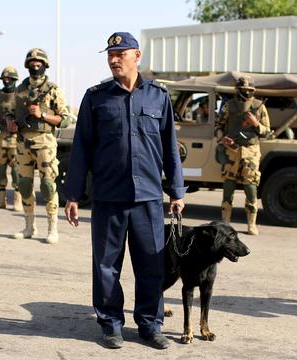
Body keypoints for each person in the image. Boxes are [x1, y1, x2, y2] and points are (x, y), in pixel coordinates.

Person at [63, 32, 186, 350]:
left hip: (148, 197)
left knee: (151, 264)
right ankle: (111, 325)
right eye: (110, 54)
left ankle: (149, 324)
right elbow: (81, 149)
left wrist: (176, 191)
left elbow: (170, 146)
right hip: (108, 197)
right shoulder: (96, 97)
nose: (114, 59)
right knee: (106, 265)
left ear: (137, 56)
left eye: (120, 53)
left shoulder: (158, 96)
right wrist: (73, 194)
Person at [8, 48, 70, 244]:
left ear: (45, 64)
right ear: (27, 65)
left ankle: (52, 228)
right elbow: (10, 112)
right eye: (32, 61)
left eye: (39, 61)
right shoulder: (19, 91)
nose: (36, 64)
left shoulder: (53, 89)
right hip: (22, 142)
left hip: (45, 143)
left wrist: (41, 115)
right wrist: (10, 121)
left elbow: (65, 119)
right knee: (24, 185)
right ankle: (29, 227)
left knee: (48, 186)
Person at [215, 76, 270, 236]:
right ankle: (225, 222)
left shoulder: (259, 107)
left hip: (251, 151)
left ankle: (251, 224)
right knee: (228, 186)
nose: (247, 93)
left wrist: (255, 123)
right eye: (244, 90)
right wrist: (222, 137)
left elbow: (267, 132)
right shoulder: (228, 106)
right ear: (238, 90)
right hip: (231, 150)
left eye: (250, 90)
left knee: (250, 186)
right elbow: (219, 126)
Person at [0, 66, 22, 212]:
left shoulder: (20, 95)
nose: (6, 81)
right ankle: (1, 200)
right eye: (4, 78)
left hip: (14, 139)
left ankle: (17, 201)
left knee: (16, 170)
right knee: (0, 170)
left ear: (14, 80)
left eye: (10, 78)